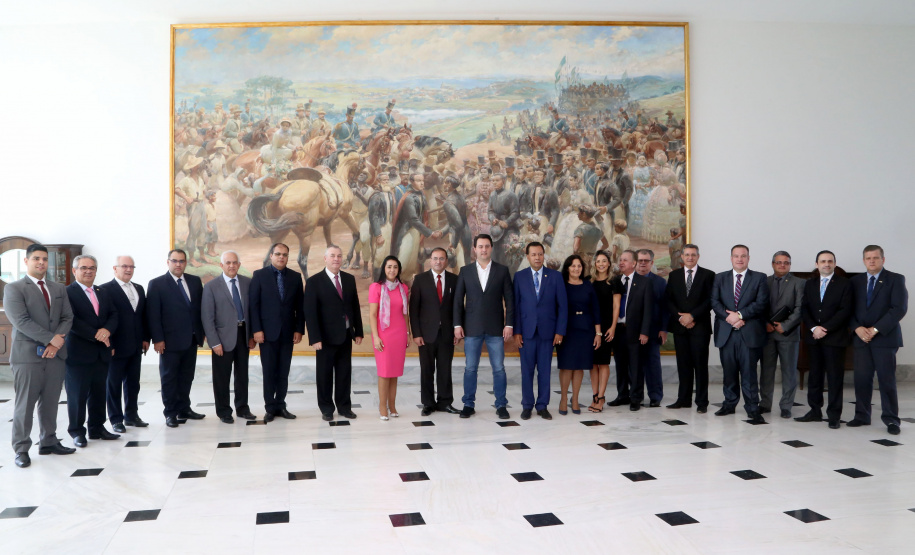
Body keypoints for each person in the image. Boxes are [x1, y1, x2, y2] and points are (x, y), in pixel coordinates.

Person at [5, 244, 76, 467]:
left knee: (51, 402)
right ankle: (22, 448)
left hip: (55, 355)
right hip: (27, 356)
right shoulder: (15, 288)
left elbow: (67, 317)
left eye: (44, 259)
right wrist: (50, 339)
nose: (41, 263)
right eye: (36, 258)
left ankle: (48, 441)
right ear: (26, 261)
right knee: (25, 404)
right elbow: (21, 321)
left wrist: (55, 343)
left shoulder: (59, 289)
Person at [848, 245, 908, 435]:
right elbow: (847, 309)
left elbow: (899, 309)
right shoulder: (855, 281)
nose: (871, 261)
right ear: (864, 260)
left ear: (883, 259)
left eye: (875, 258)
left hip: (884, 338)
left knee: (886, 380)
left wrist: (875, 329)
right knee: (862, 379)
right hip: (861, 338)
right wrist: (857, 328)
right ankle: (862, 415)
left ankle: (891, 419)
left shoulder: (895, 279)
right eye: (868, 258)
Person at [453, 234, 515, 419]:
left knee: (499, 368)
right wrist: (457, 325)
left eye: (487, 246)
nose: (483, 249)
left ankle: (501, 405)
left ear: (491, 248)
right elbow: (458, 301)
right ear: (474, 249)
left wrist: (509, 324)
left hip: (496, 328)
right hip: (471, 328)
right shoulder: (465, 271)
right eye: (480, 246)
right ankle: (468, 404)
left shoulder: (502, 271)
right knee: (470, 368)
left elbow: (510, 301)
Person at [64, 255, 120, 447]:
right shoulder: (67, 293)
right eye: (84, 268)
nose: (89, 271)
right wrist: (97, 334)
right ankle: (77, 431)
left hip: (101, 353)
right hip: (79, 353)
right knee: (77, 395)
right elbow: (70, 320)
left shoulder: (101, 291)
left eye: (92, 268)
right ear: (74, 271)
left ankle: (97, 428)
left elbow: (113, 314)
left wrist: (107, 331)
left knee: (99, 392)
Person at [304, 245, 364, 421]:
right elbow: (310, 312)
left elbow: (355, 307)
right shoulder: (314, 281)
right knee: (324, 374)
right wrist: (314, 337)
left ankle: (344, 407)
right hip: (324, 338)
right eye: (332, 256)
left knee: (344, 373)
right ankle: (326, 408)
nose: (336, 259)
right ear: (325, 258)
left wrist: (358, 331)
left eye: (339, 255)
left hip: (345, 335)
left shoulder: (349, 279)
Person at [710, 245, 770, 424]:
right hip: (727, 333)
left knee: (749, 373)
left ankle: (752, 407)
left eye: (743, 256)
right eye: (736, 256)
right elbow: (714, 301)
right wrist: (730, 317)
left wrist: (741, 315)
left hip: (749, 333)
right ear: (731, 258)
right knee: (729, 372)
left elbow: (761, 303)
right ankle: (729, 404)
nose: (739, 259)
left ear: (748, 258)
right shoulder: (720, 278)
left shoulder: (759, 278)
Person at [147, 249, 206, 428]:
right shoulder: (157, 284)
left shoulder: (195, 281)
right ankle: (170, 413)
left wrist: (201, 332)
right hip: (169, 342)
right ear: (168, 262)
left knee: (187, 376)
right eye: (174, 261)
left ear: (186, 263)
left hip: (191, 339)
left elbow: (199, 310)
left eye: (181, 261)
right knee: (169, 378)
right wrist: (157, 339)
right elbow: (153, 315)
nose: (178, 264)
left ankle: (184, 408)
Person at [249, 243, 304, 421]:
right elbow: (253, 306)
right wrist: (256, 330)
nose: (281, 257)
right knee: (269, 371)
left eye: (285, 255)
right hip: (266, 334)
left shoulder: (295, 277)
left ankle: (281, 405)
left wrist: (299, 329)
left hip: (288, 333)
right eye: (278, 254)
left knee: (283, 371)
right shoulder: (259, 275)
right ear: (271, 255)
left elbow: (300, 307)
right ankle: (270, 407)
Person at [798, 250, 853, 429]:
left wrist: (826, 329)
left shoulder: (845, 284)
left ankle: (834, 415)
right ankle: (814, 411)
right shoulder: (810, 284)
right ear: (817, 264)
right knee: (814, 377)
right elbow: (805, 309)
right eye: (823, 261)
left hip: (835, 339)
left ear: (835, 264)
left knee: (835, 378)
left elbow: (845, 310)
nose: (826, 264)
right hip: (814, 338)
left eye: (830, 261)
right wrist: (814, 328)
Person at [513, 242, 567, 420]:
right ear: (527, 257)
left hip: (548, 332)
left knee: (544, 371)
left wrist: (559, 331)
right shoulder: (519, 277)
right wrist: (517, 331)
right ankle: (527, 405)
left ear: (544, 256)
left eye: (540, 254)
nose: (537, 258)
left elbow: (562, 306)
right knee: (526, 371)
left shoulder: (555, 277)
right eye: (533, 255)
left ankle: (542, 405)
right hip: (526, 332)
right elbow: (516, 306)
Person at [202, 250, 256, 424]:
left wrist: (252, 335)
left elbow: (252, 311)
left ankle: (242, 408)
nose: (231, 266)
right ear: (221, 265)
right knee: (222, 377)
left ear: (239, 265)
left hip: (243, 335)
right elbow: (207, 317)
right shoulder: (211, 286)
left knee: (242, 375)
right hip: (222, 339)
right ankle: (224, 411)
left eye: (234, 262)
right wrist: (214, 342)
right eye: (228, 263)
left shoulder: (248, 283)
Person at [100, 255, 150, 431]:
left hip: (136, 345)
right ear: (115, 268)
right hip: (116, 347)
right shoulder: (105, 290)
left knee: (133, 383)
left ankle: (132, 415)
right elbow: (105, 320)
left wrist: (146, 338)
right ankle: (116, 419)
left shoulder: (139, 288)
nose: (128, 270)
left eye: (131, 267)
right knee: (113, 384)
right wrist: (109, 345)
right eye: (124, 266)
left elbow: (143, 316)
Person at [410, 247, 460, 416]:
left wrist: (457, 329)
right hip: (425, 334)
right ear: (430, 260)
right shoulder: (420, 280)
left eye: (442, 258)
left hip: (447, 333)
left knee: (445, 369)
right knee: (427, 369)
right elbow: (413, 309)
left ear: (446, 260)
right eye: (435, 258)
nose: (438, 262)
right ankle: (428, 403)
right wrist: (416, 333)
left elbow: (458, 307)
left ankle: (445, 402)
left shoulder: (454, 279)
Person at [665, 244, 714, 412]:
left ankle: (702, 402)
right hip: (680, 327)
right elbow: (668, 300)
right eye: (687, 255)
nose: (690, 257)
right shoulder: (674, 275)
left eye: (693, 255)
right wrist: (681, 317)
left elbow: (710, 301)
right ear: (682, 257)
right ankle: (683, 399)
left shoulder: (708, 275)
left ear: (698, 257)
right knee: (683, 365)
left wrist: (692, 316)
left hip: (700, 327)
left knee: (700, 365)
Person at [760, 251, 804, 419]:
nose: (782, 265)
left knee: (789, 372)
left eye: (786, 262)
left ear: (790, 265)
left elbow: (801, 309)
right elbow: (759, 305)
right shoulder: (764, 281)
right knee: (766, 371)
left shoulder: (799, 283)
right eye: (779, 262)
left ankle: (786, 406)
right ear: (773, 264)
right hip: (768, 335)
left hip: (789, 335)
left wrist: (784, 326)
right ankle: (765, 403)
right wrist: (766, 324)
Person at [607, 250, 652, 411]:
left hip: (635, 331)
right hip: (618, 331)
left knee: (636, 366)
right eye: (620, 260)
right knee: (620, 365)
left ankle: (636, 398)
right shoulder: (615, 280)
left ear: (633, 263)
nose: (621, 262)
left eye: (625, 260)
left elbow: (648, 309)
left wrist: (645, 332)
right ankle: (622, 395)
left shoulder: (644, 282)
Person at [556, 255, 601, 415]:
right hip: (566, 330)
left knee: (580, 366)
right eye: (573, 266)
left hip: (586, 330)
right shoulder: (561, 284)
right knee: (567, 366)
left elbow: (596, 310)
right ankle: (563, 399)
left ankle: (575, 399)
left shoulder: (588, 285)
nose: (576, 269)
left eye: (579, 266)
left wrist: (598, 333)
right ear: (567, 268)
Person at [369, 256, 410, 420]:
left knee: (395, 372)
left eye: (395, 267)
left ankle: (392, 405)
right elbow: (372, 315)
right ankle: (382, 406)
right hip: (383, 334)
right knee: (385, 372)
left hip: (399, 333)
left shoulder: (404, 288)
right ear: (384, 269)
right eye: (389, 267)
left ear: (398, 269)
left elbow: (405, 313)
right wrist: (376, 337)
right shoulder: (376, 287)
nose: (392, 270)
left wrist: (408, 333)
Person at [588, 251, 620, 413]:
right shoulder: (589, 281)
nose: (600, 264)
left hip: (607, 326)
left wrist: (613, 327)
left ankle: (601, 397)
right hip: (591, 326)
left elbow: (616, 306)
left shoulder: (614, 281)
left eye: (604, 261)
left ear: (609, 263)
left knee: (603, 362)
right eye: (598, 261)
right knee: (593, 363)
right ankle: (594, 395)